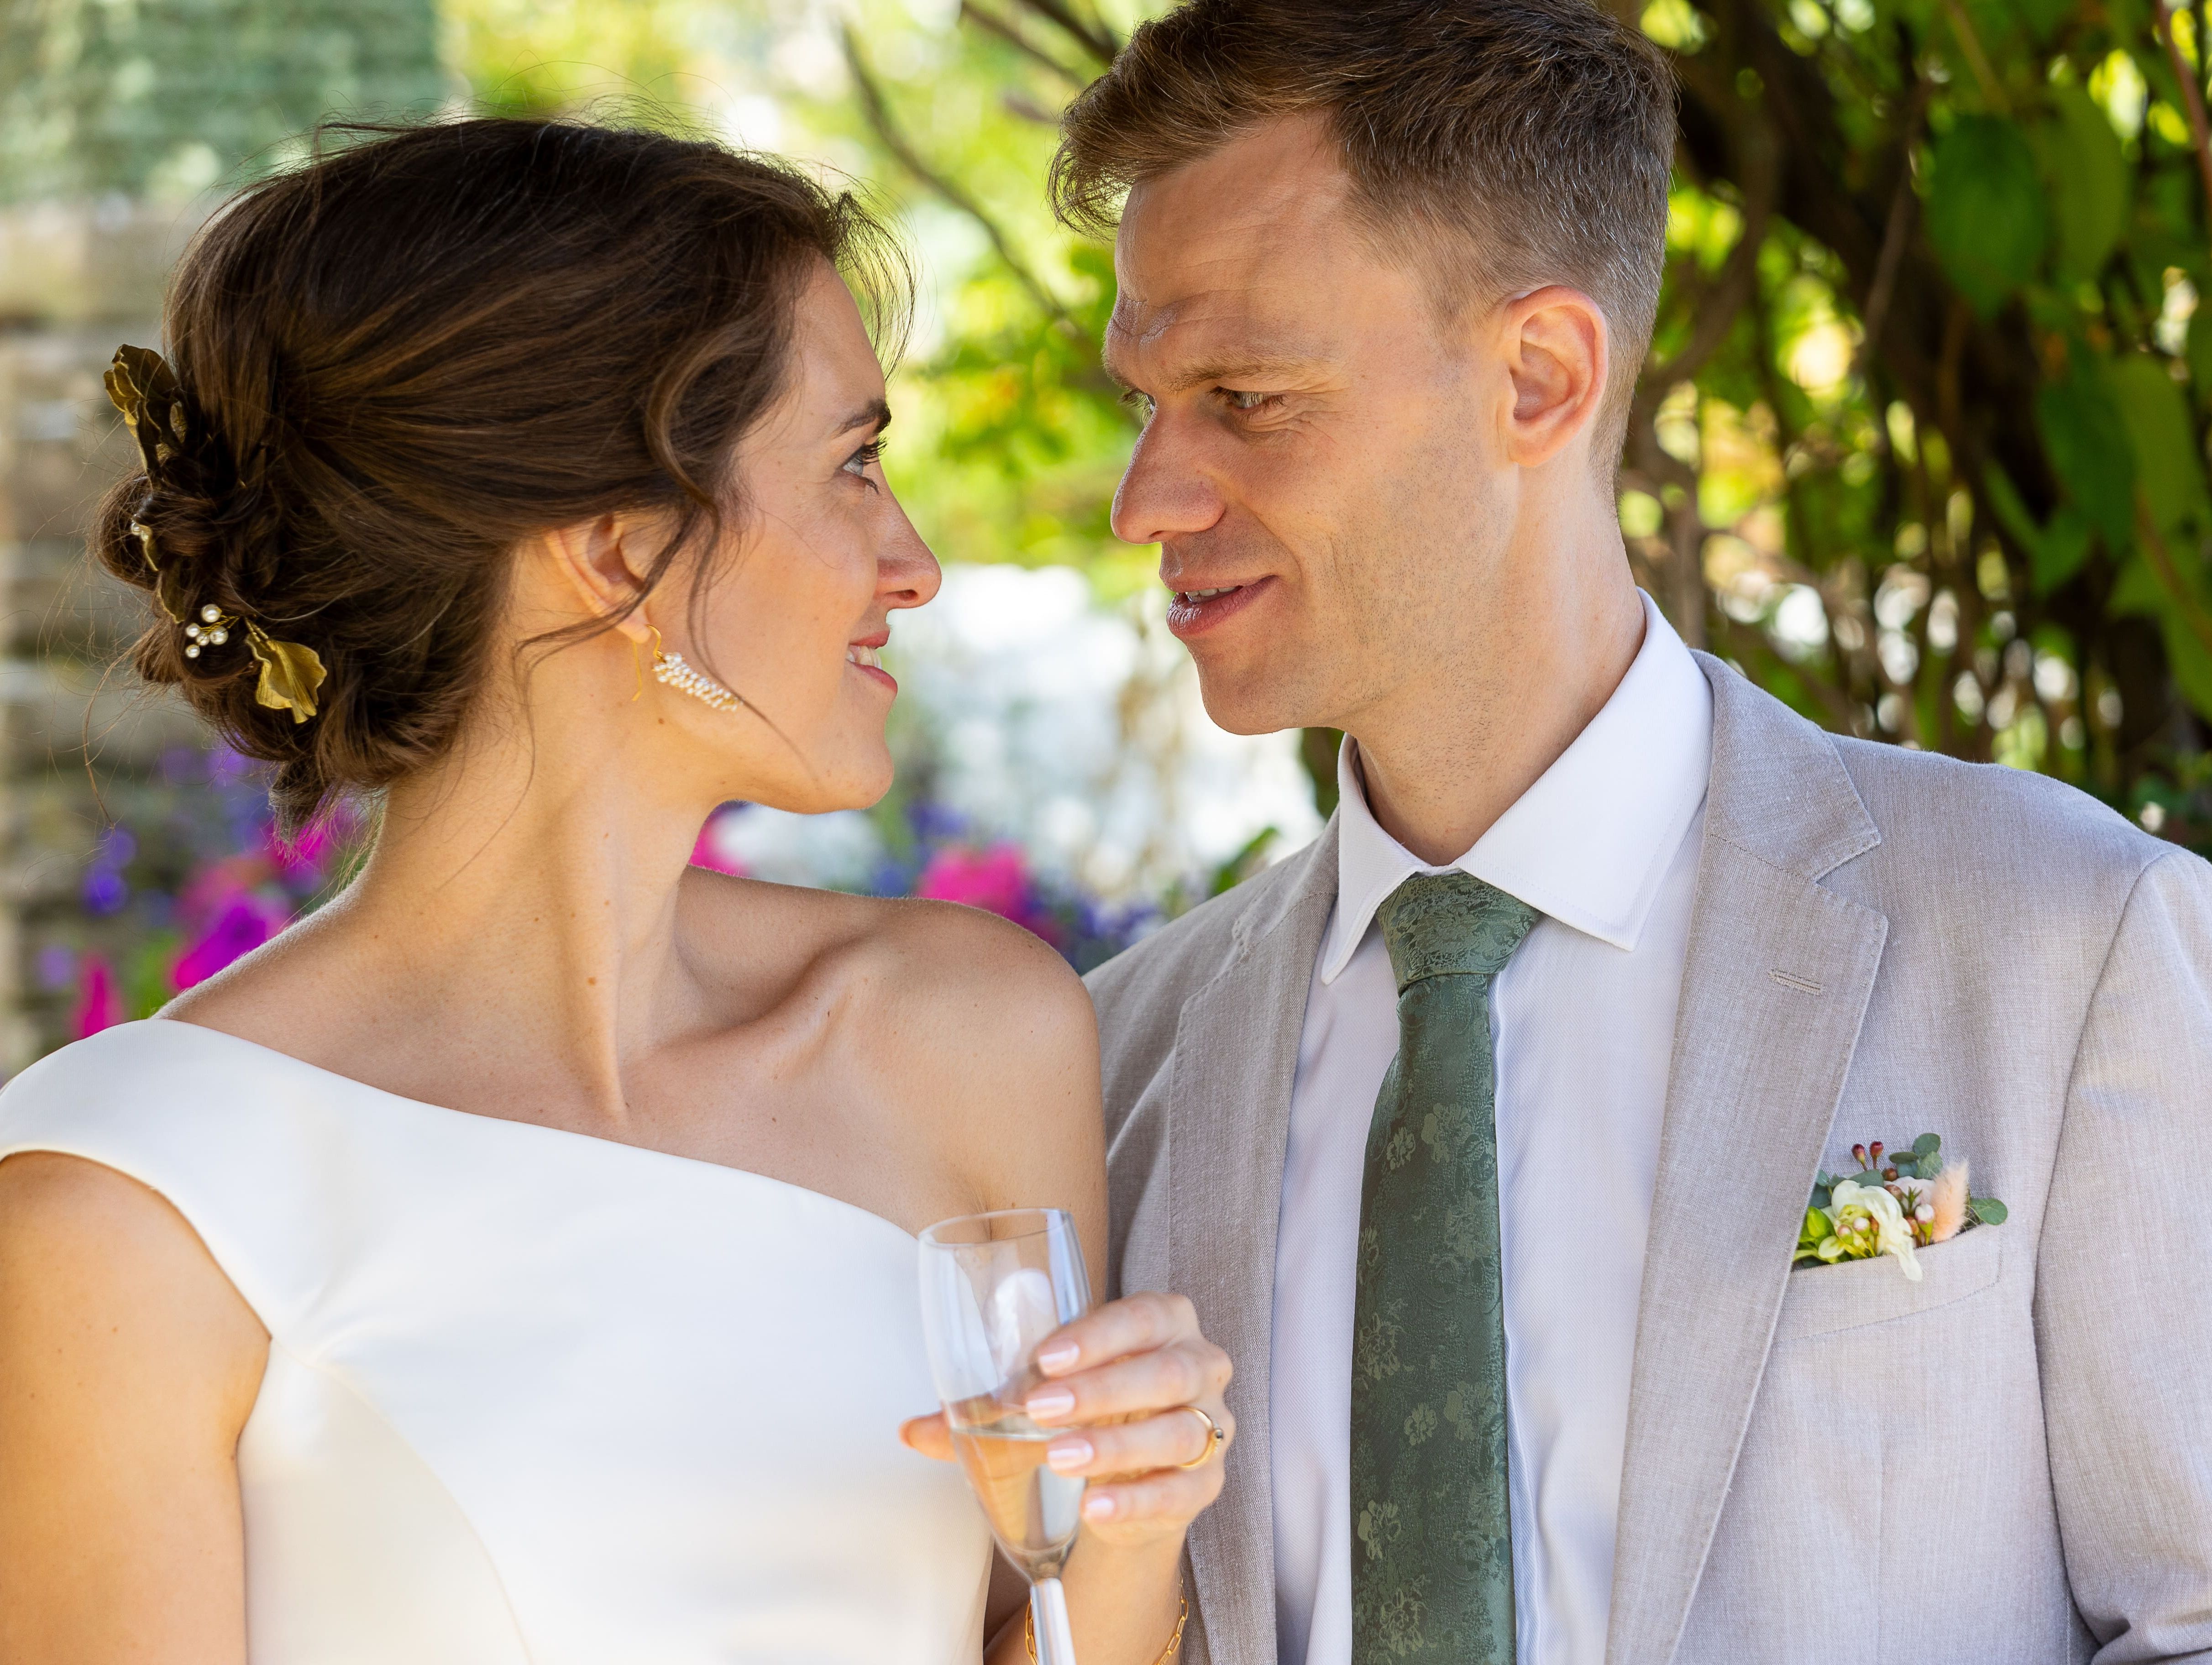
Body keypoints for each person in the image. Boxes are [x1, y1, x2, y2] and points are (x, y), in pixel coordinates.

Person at [1061, 2, 2212, 1662]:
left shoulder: (2065, 941)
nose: (1148, 500)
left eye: (1244, 396)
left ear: (1540, 378)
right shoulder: (1115, 1064)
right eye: (1147, 403)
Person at [0, 118, 1227, 1665]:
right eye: (853, 462)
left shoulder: (974, 1034)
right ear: (619, 552)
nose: (910, 562)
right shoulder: (135, 1200)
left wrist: (1137, 1532)